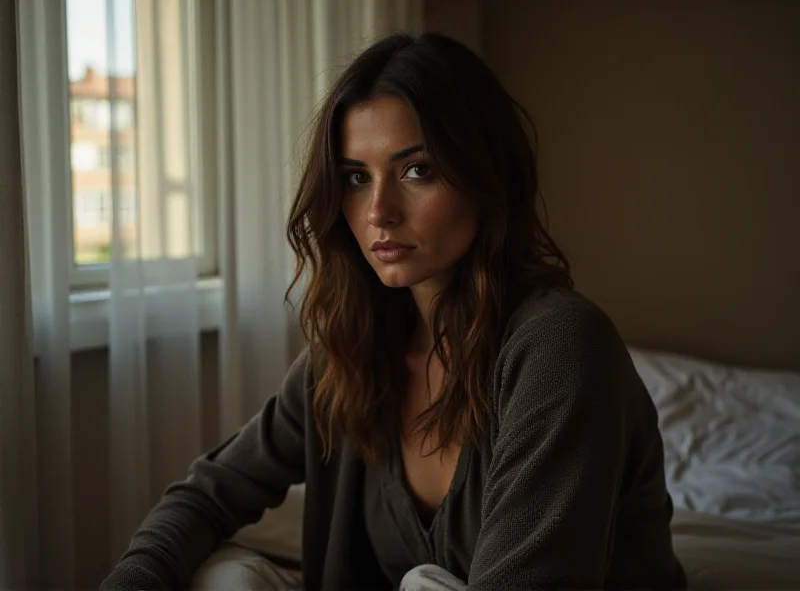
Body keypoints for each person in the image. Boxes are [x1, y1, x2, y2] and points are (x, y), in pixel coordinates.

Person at [101, 32, 687, 591]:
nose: (378, 211)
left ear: (490, 176)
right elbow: (209, 492)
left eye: (416, 170)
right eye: (356, 177)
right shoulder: (349, 354)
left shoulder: (560, 346)